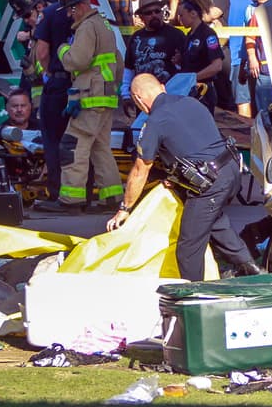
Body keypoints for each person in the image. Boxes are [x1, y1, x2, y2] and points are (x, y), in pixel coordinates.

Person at [106, 74, 261, 281]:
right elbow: (195, 143)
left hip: (210, 182)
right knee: (214, 222)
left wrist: (125, 209)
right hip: (231, 170)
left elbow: (140, 169)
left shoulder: (155, 121)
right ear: (162, 87)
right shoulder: (191, 102)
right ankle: (250, 268)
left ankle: (194, 294)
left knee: (188, 248)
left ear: (138, 99)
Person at [54, 0, 124, 209]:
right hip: (106, 96)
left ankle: (71, 199)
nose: (68, 15)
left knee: (74, 143)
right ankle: (112, 196)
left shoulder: (86, 28)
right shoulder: (104, 25)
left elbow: (77, 60)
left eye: (69, 10)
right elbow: (119, 62)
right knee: (100, 146)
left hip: (90, 96)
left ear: (78, 6)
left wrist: (63, 49)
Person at [32, 0, 77, 203]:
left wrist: (49, 72)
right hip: (81, 84)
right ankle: (82, 192)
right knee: (78, 139)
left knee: (52, 139)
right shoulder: (87, 14)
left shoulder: (50, 13)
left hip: (58, 83)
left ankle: (57, 192)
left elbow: (41, 51)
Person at [124, 0, 185, 90]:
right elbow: (128, 68)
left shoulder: (176, 35)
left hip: (171, 92)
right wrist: (125, 93)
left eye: (157, 11)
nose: (154, 15)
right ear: (141, 17)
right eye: (148, 13)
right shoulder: (136, 38)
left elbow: (187, 66)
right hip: (143, 93)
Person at [177, 0, 225, 114]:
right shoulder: (188, 36)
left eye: (181, 15)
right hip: (188, 92)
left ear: (193, 14)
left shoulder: (208, 34)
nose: (179, 19)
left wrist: (193, 78)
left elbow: (217, 65)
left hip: (203, 92)